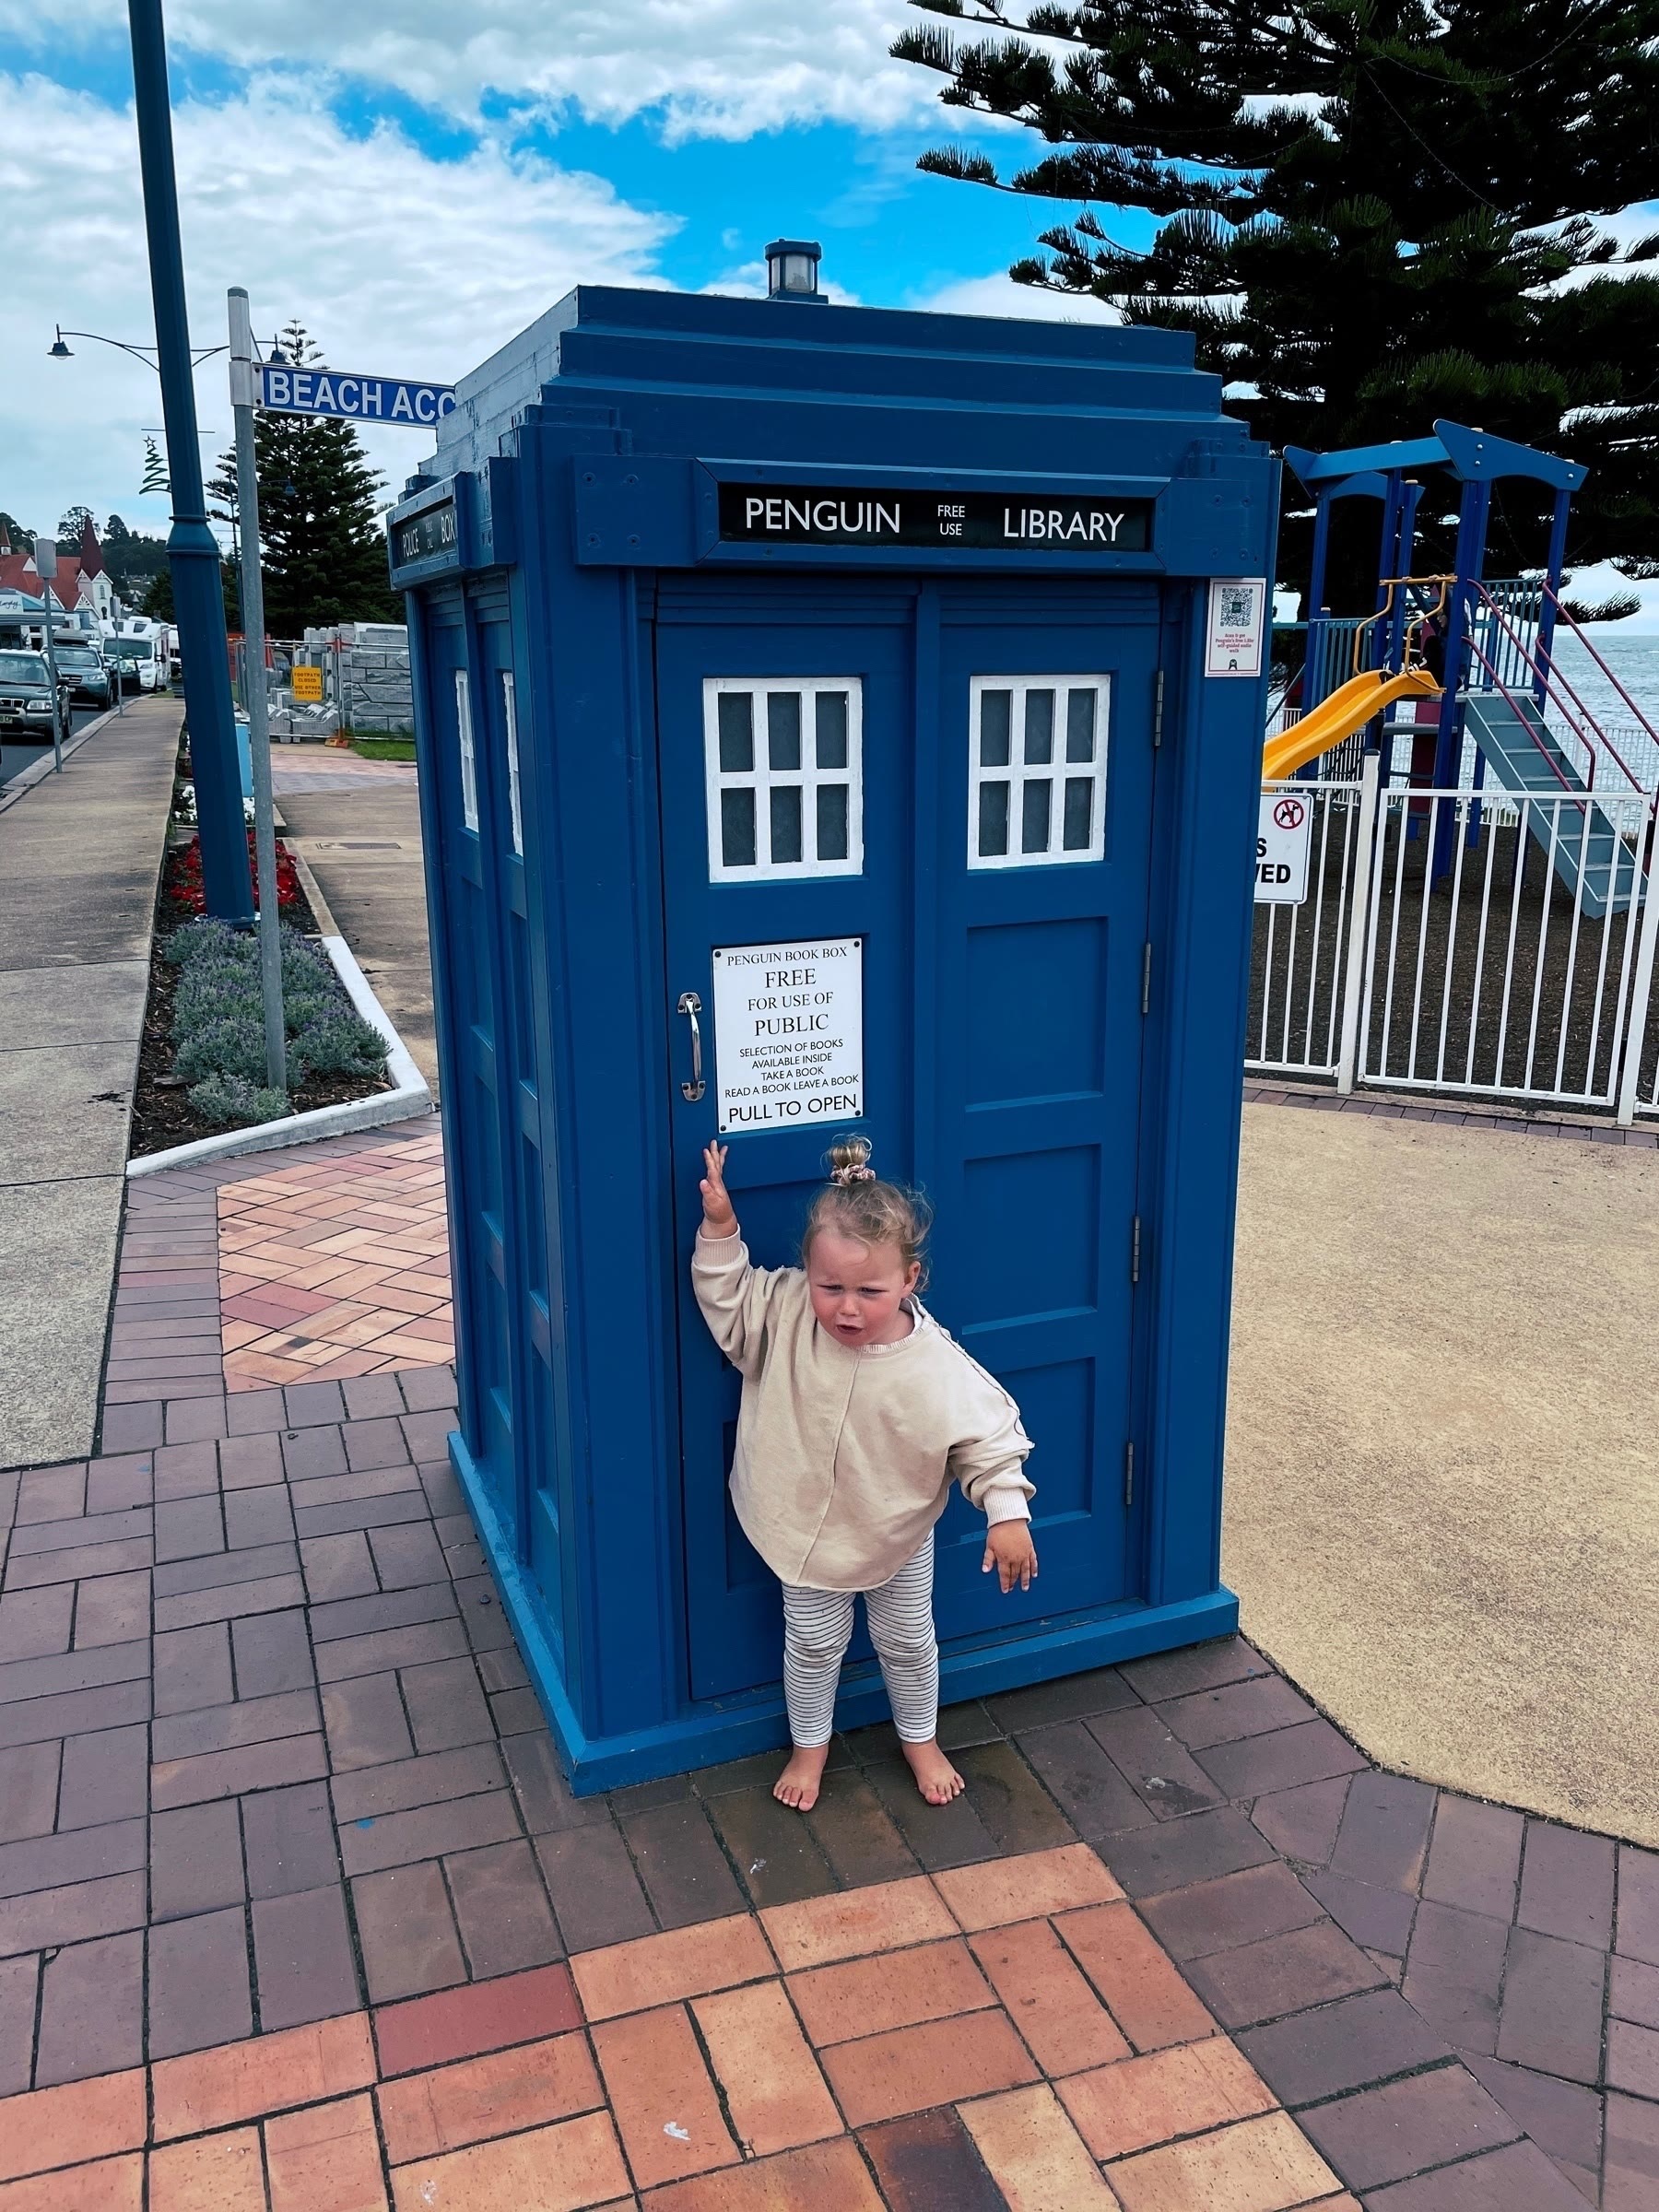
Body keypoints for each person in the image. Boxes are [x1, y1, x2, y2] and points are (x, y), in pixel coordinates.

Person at [692, 1135, 1038, 1811]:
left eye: (870, 1291)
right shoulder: (788, 1309)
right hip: (803, 1532)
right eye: (831, 1287)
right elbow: (731, 1299)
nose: (847, 1308)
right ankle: (810, 1748)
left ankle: (920, 1739)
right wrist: (721, 1226)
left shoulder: (932, 1362)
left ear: (910, 1279)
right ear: (807, 1272)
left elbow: (988, 1436)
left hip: (896, 1532)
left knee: (908, 1642)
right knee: (813, 1645)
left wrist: (1008, 1515)